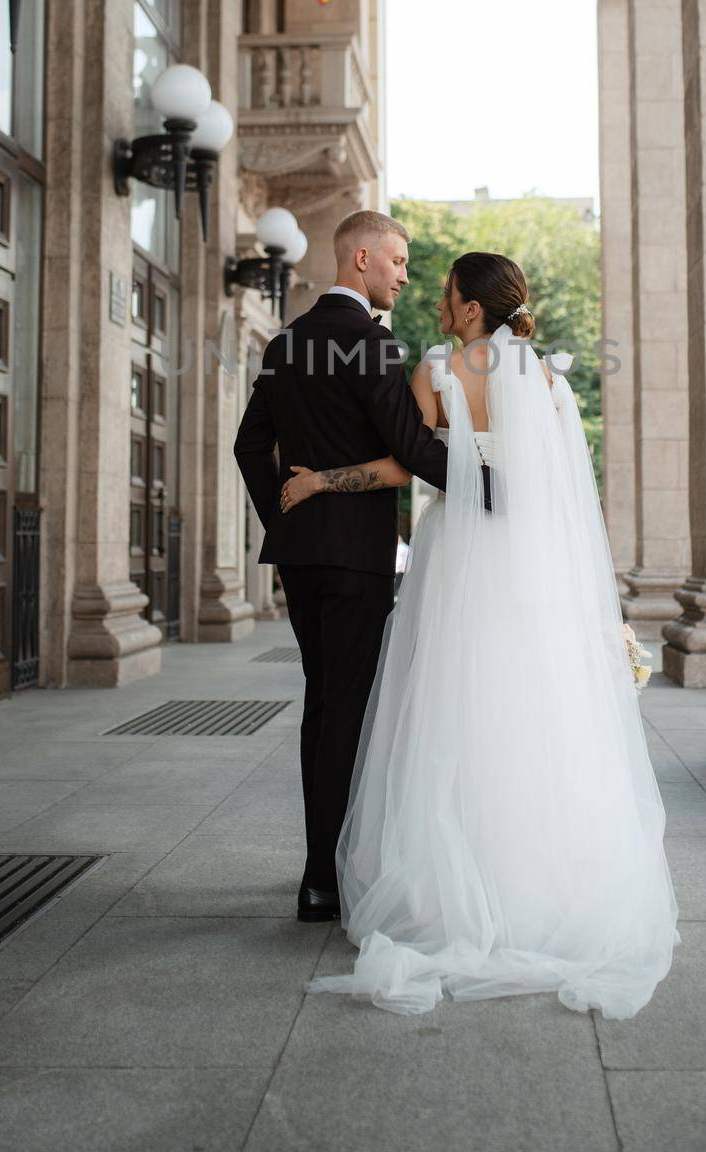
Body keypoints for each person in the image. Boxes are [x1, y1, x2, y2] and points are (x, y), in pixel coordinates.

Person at [277, 251, 679, 1017]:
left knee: (450, 704)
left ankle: (448, 878)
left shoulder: (438, 368)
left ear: (469, 309)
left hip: (461, 550)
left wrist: (323, 479)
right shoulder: (550, 379)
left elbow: (403, 468)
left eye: (446, 292)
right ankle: (542, 876)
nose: (436, 299)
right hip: (532, 565)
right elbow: (567, 499)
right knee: (534, 707)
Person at [233, 210, 449, 924]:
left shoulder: (286, 342)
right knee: (347, 709)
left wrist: (288, 521)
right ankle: (326, 877)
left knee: (323, 703)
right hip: (356, 560)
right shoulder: (372, 346)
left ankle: (320, 869)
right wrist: (501, 484)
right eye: (397, 262)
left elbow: (247, 445)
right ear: (361, 259)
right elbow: (415, 449)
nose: (404, 275)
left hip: (299, 558)